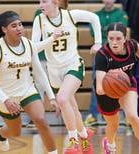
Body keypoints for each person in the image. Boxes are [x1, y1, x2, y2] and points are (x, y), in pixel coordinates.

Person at [0, 11, 61, 154]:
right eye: (14, 26)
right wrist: (6, 100)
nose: (19, 28)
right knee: (15, 131)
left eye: (20, 24)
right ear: (4, 29)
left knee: (40, 120)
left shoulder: (28, 44)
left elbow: (39, 72)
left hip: (27, 90)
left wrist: (51, 97)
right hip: (6, 95)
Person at [32, 0, 102, 153]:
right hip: (53, 71)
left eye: (44, 1)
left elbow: (94, 18)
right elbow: (34, 48)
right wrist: (51, 39)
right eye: (39, 1)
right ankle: (84, 135)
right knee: (72, 107)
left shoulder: (70, 15)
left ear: (55, 2)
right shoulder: (39, 20)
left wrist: (98, 42)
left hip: (73, 65)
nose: (40, 4)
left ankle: (73, 140)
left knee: (62, 99)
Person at [95, 22, 139, 154]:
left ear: (125, 38)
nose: (114, 42)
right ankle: (110, 144)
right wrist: (113, 88)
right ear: (107, 38)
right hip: (106, 91)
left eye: (118, 38)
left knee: (132, 117)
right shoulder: (102, 55)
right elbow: (99, 88)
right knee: (113, 125)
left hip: (127, 84)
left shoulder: (132, 45)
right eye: (111, 38)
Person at [85, 0, 129, 126]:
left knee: (121, 82)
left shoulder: (121, 14)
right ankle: (94, 115)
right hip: (101, 54)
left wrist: (104, 29)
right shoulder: (97, 15)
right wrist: (110, 28)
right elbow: (93, 32)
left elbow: (121, 31)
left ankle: (126, 115)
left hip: (117, 54)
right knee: (97, 84)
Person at [26, 0, 69, 128]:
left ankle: (67, 117)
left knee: (64, 88)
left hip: (60, 58)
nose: (41, 4)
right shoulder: (39, 15)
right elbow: (35, 42)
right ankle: (37, 118)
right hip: (42, 56)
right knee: (39, 86)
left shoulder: (66, 15)